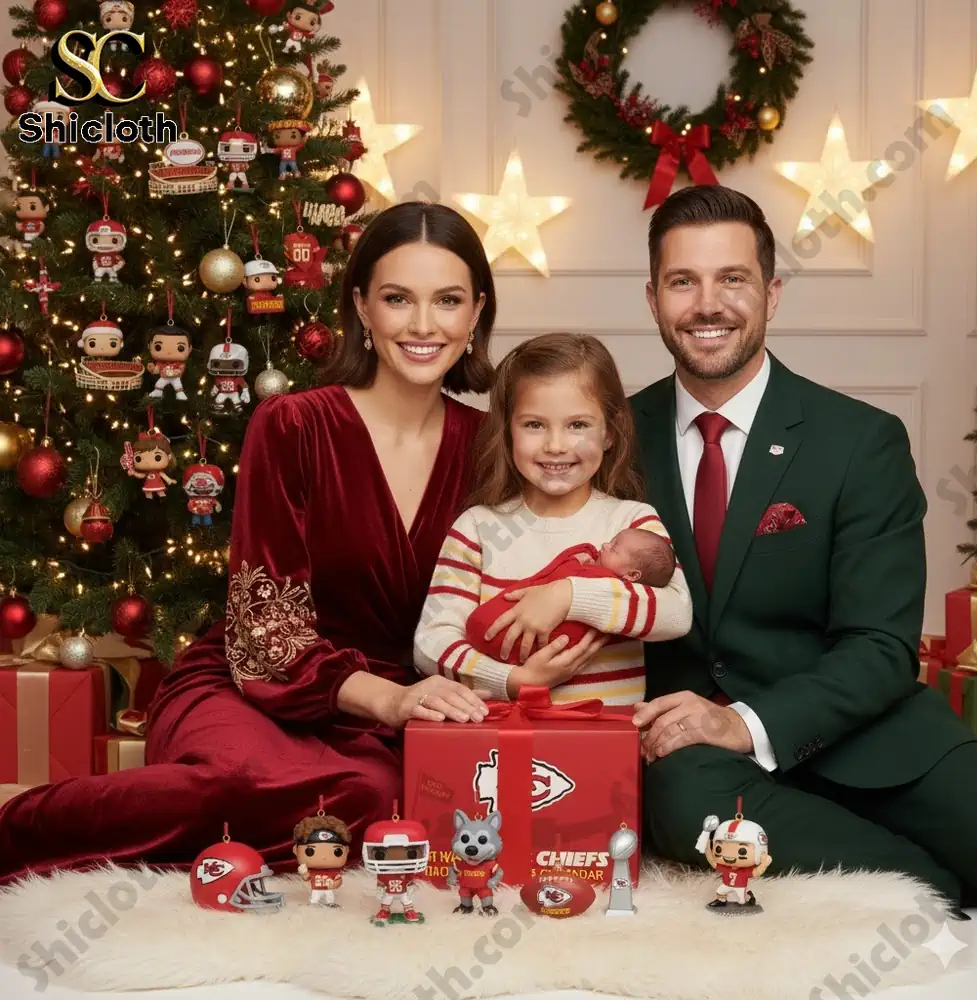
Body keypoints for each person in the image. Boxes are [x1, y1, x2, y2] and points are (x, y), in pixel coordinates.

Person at [0, 202, 498, 885]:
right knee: (236, 784)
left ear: (475, 314)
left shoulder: (494, 448)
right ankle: (17, 833)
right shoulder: (293, 423)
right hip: (251, 682)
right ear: (361, 307)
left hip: (390, 725)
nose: (422, 325)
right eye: (396, 298)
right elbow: (264, 636)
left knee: (366, 804)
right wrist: (386, 698)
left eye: (446, 301)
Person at [629, 184, 977, 911]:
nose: (708, 304)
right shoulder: (609, 438)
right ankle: (927, 888)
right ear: (653, 299)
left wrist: (746, 723)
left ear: (772, 293)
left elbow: (880, 648)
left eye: (732, 279)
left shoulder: (859, 441)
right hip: (703, 770)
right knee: (677, 798)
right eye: (683, 281)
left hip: (874, 741)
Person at [413, 332, 693, 707]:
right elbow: (430, 646)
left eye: (577, 425)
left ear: (609, 433)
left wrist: (569, 595)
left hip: (606, 744)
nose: (556, 445)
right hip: (501, 744)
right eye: (534, 425)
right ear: (507, 431)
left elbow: (677, 614)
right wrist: (514, 680)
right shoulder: (476, 529)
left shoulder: (630, 522)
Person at [465, 530, 676, 664]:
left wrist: (575, 561)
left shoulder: (601, 580)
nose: (604, 545)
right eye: (611, 541)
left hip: (493, 633)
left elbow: (676, 615)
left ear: (632, 575)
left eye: (614, 548)